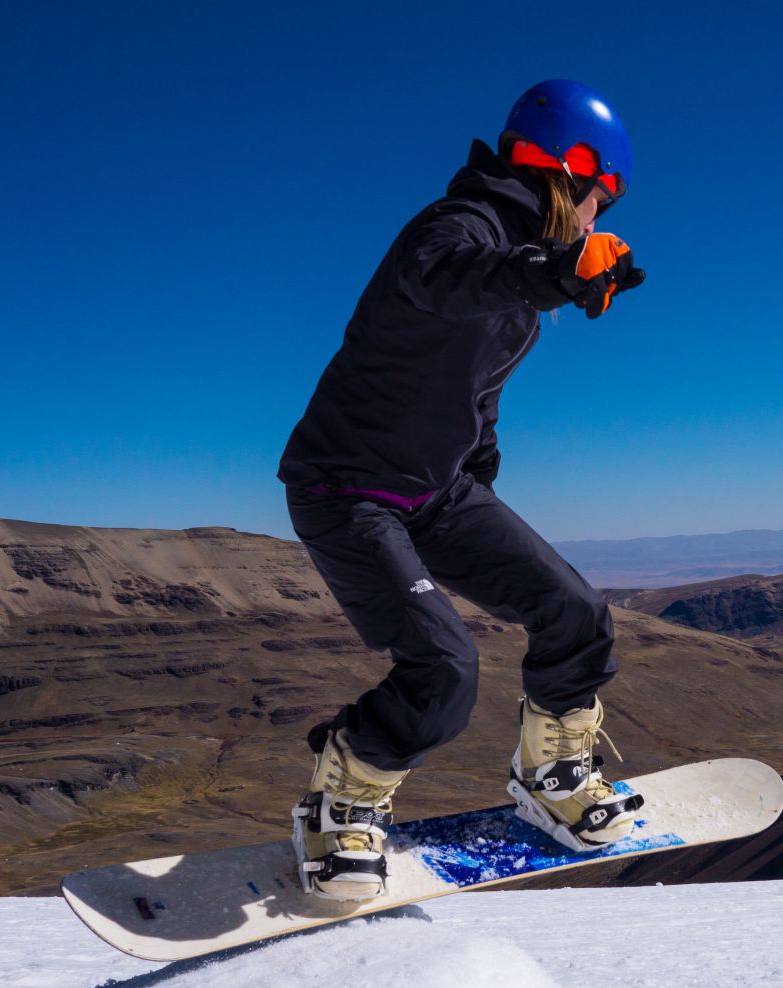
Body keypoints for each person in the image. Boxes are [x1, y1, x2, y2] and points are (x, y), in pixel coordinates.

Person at [277, 79, 647, 900]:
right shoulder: (458, 230)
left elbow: (474, 395)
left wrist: (479, 486)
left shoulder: (518, 285)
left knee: (577, 614)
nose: (596, 218)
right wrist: (556, 268)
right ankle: (339, 804)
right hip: (349, 490)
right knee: (445, 670)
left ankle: (551, 774)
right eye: (600, 198)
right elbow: (450, 276)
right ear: (572, 173)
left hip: (436, 493)